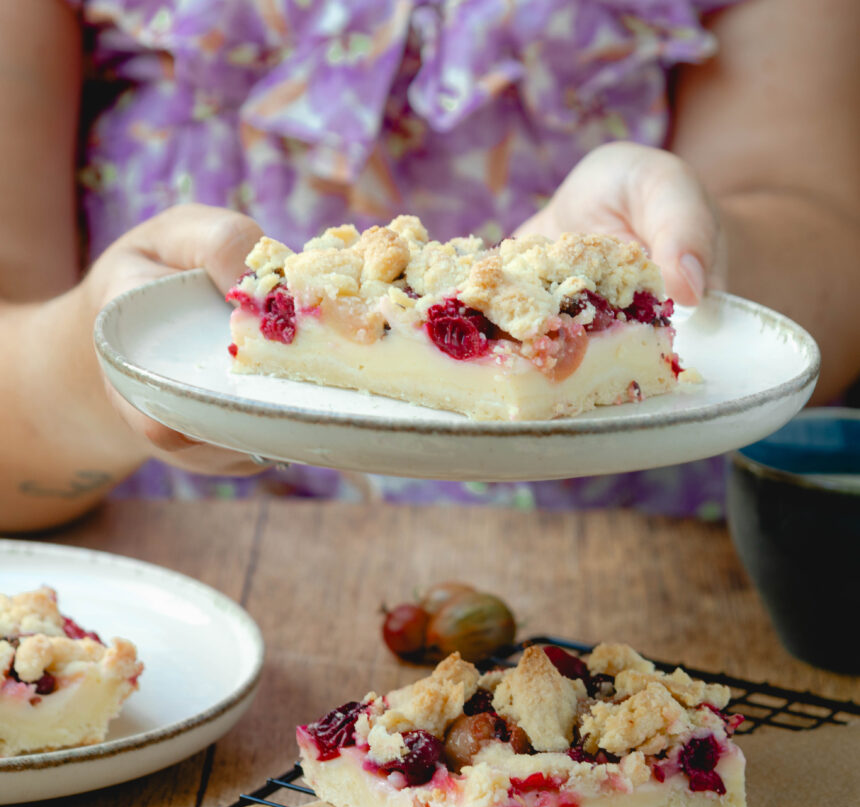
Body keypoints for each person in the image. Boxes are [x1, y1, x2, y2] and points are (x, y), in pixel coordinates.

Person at [1, 0, 858, 534]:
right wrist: (100, 366)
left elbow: (825, 236)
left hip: (648, 573)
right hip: (187, 582)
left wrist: (670, 269)